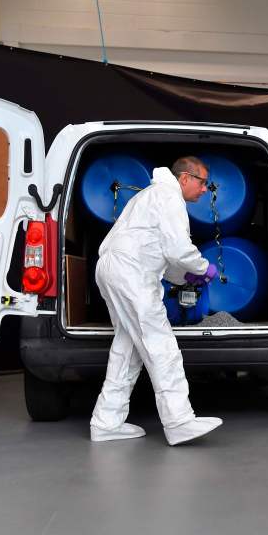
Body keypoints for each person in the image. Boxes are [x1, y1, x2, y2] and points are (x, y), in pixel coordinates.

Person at [89, 156, 223, 446]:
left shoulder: (150, 196)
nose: (205, 190)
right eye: (203, 182)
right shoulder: (169, 196)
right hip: (132, 274)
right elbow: (178, 249)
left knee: (127, 348)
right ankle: (179, 421)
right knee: (160, 344)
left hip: (114, 269)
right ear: (185, 178)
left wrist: (186, 277)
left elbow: (166, 253)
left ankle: (106, 422)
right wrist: (203, 268)